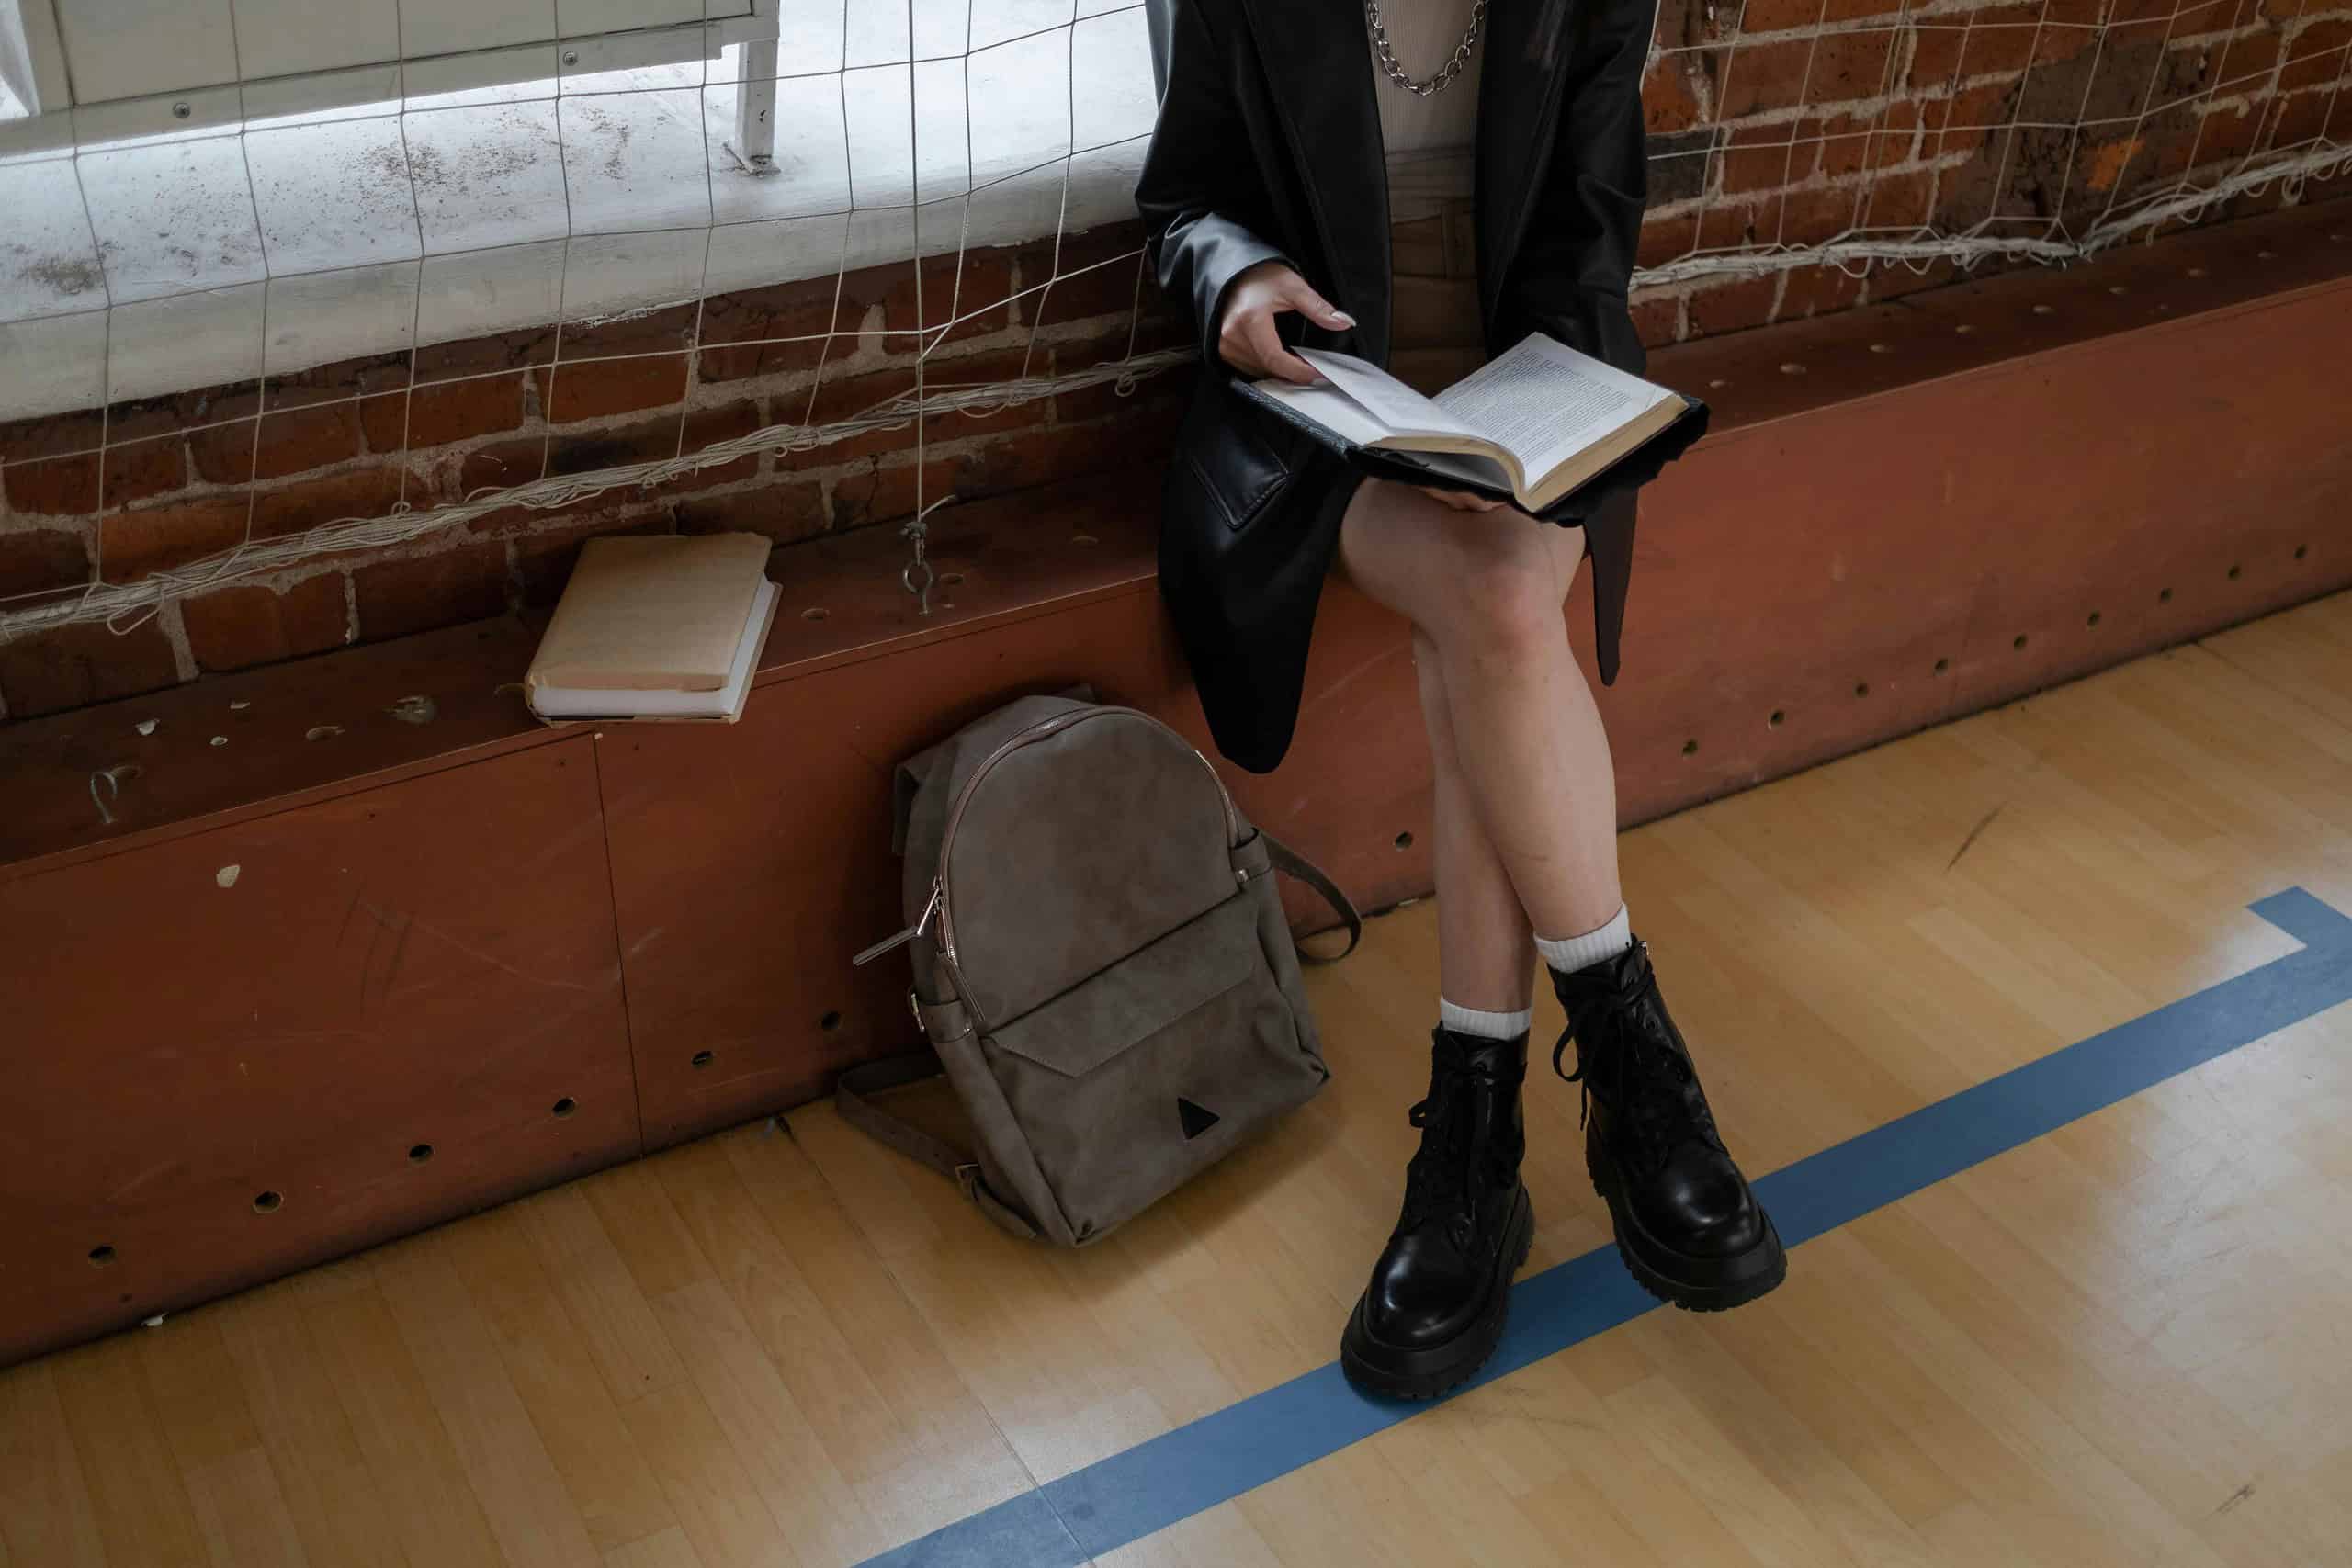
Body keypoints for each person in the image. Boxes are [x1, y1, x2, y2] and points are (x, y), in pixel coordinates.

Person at [1135, 0, 1785, 1399]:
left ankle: (1472, 1158)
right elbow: (1184, 201)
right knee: (1493, 614)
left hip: (1531, 385)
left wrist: (1513, 415)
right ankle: (1629, 1059)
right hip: (1325, 410)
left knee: (1488, 607)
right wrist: (1240, 289)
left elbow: (1591, 222)